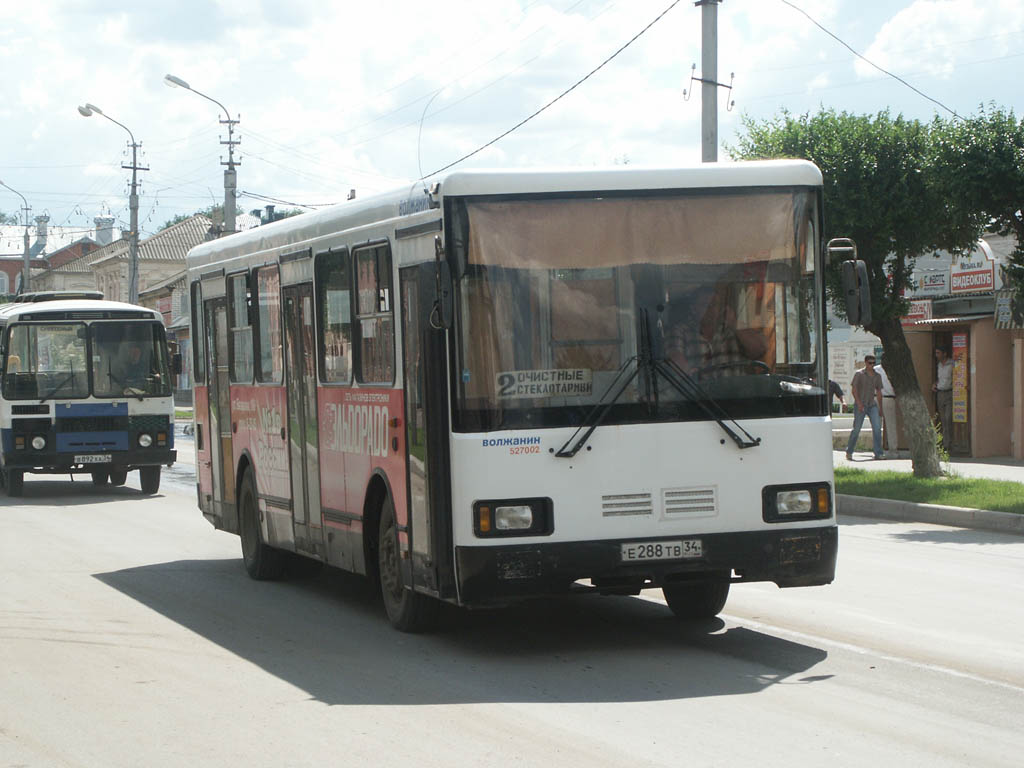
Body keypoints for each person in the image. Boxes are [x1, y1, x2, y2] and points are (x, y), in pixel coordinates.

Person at [663, 284, 767, 376]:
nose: (711, 309)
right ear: (693, 309)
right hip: (699, 396)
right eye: (705, 305)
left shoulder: (733, 331)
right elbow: (674, 357)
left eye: (714, 304)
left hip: (736, 395)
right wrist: (688, 374)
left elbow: (759, 350)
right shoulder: (680, 331)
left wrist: (734, 325)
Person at [845, 354, 884, 460]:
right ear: (866, 363)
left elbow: (879, 391)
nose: (872, 365)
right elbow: (854, 390)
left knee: (877, 429)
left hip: (872, 405)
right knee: (856, 429)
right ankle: (849, 451)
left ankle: (878, 453)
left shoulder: (877, 376)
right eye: (870, 363)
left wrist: (880, 408)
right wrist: (859, 403)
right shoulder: (859, 374)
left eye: (873, 363)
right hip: (860, 405)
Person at [875, 359, 898, 454]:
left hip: (889, 397)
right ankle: (878, 449)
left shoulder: (894, 370)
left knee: (890, 425)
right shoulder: (876, 369)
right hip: (877, 398)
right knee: (877, 425)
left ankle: (893, 449)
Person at [933, 346, 954, 447]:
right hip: (940, 393)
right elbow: (939, 378)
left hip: (949, 392)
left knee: (948, 417)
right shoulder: (939, 365)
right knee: (943, 419)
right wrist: (935, 384)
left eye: (938, 353)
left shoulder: (952, 364)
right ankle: (945, 443)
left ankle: (948, 442)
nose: (936, 355)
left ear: (944, 353)